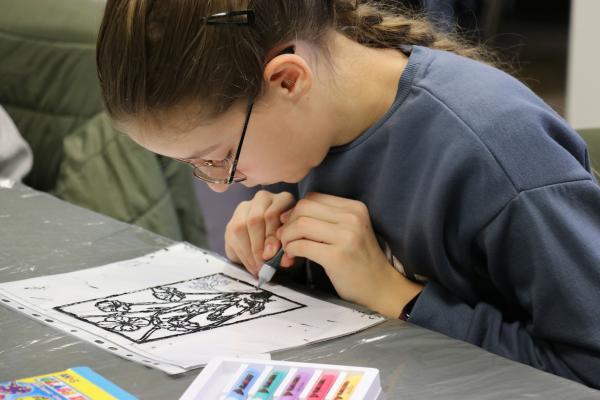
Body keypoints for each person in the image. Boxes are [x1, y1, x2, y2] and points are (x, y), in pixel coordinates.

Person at [96, 0, 600, 388]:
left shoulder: (500, 153)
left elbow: (587, 369)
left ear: (288, 80)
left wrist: (397, 297)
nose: (218, 184)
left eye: (218, 157)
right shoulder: (309, 130)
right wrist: (289, 256)